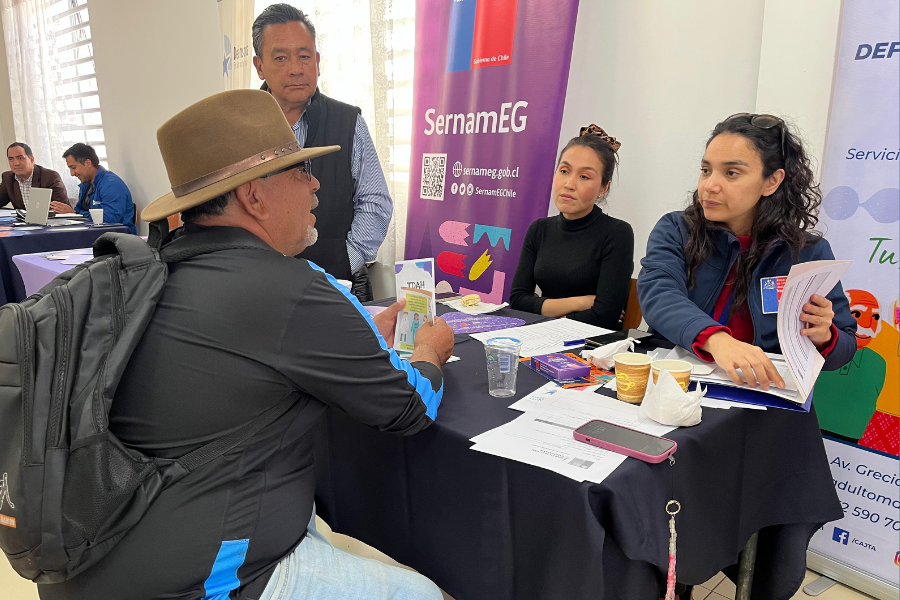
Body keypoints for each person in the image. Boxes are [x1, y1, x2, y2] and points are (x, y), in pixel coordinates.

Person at [38, 90, 454, 600]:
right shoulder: (288, 288)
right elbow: (408, 408)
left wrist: (358, 332)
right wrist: (431, 349)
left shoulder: (151, 271)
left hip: (90, 553)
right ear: (254, 196)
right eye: (300, 172)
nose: (315, 185)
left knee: (312, 529)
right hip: (192, 579)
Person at [638, 113, 856, 390]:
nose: (710, 186)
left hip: (761, 392)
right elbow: (659, 293)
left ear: (772, 182)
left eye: (731, 173)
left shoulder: (807, 252)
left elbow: (846, 347)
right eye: (706, 170)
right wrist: (717, 340)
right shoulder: (676, 229)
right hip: (676, 383)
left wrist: (823, 335)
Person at [252, 4, 392, 302]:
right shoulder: (240, 125)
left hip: (335, 286)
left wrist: (345, 259)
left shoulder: (347, 121)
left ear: (317, 61)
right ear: (259, 65)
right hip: (258, 287)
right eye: (280, 57)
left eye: (304, 56)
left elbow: (375, 202)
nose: (296, 68)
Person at [510, 125, 634, 329]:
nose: (569, 184)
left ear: (604, 187)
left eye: (584, 176)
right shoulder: (539, 229)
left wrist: (545, 313)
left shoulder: (617, 233)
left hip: (590, 349)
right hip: (540, 340)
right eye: (564, 171)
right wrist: (583, 302)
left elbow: (605, 316)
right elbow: (517, 301)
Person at [53, 143, 136, 234]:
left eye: (73, 167)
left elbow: (108, 220)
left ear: (88, 163)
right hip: (93, 235)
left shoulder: (112, 184)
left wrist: (74, 214)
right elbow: (79, 210)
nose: (72, 173)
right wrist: (70, 213)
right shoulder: (86, 185)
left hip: (117, 240)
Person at [0, 142, 69, 210]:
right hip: (21, 220)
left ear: (31, 159)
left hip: (49, 220)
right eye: (11, 159)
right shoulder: (8, 178)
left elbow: (61, 209)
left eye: (20, 158)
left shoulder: (50, 177)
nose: (16, 163)